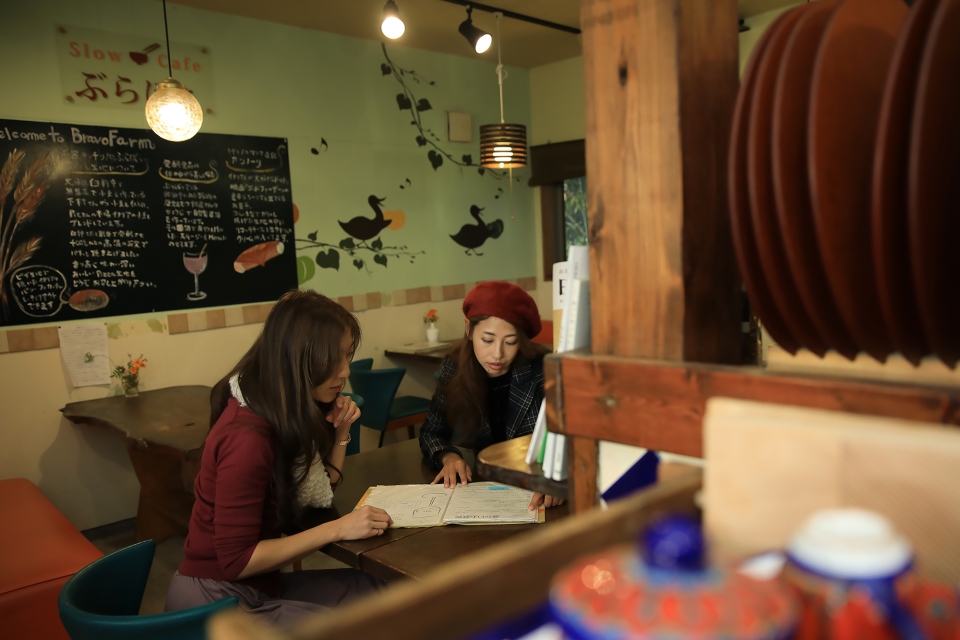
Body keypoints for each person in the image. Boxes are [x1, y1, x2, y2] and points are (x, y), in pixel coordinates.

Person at [165, 290, 392, 625]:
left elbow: (316, 485)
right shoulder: (247, 439)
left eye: (347, 356)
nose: (345, 371)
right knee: (358, 626)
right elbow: (236, 561)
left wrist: (342, 432)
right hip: (216, 603)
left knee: (384, 590)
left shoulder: (278, 407)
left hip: (258, 585)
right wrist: (336, 528)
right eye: (335, 358)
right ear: (297, 358)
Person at [419, 281, 564, 510]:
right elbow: (431, 432)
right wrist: (449, 457)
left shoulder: (543, 370)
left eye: (510, 342)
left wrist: (559, 479)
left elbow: (573, 440)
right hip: (485, 493)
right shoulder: (455, 367)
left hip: (537, 495)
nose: (498, 354)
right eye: (487, 340)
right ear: (468, 329)